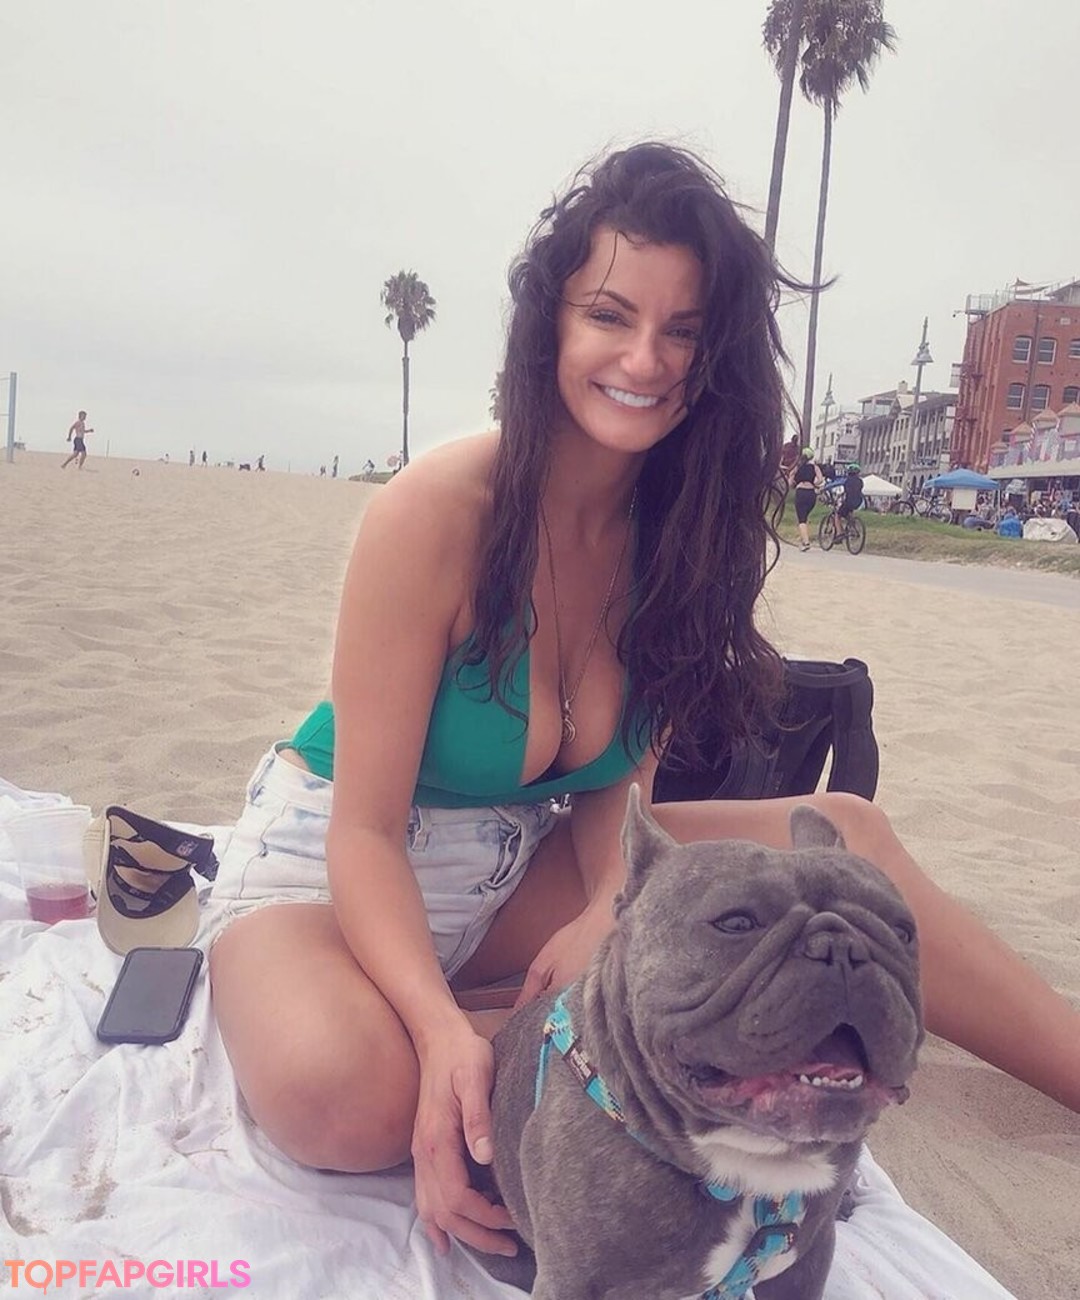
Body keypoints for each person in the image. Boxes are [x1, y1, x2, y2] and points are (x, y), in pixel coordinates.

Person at [207, 142, 1080, 1265]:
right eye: (610, 315)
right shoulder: (435, 513)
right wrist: (436, 1035)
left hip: (519, 863)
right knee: (351, 1097)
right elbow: (363, 831)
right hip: (337, 869)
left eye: (683, 330)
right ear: (551, 326)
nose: (644, 359)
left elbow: (617, 788)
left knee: (847, 833)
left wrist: (601, 910)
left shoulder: (690, 532)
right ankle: (461, 1018)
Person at [790, 446, 823, 550]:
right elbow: (820, 479)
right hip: (811, 494)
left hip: (801, 492)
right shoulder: (815, 467)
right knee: (805, 517)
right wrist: (814, 483)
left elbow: (790, 480)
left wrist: (794, 483)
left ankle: (806, 543)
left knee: (802, 519)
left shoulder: (797, 467)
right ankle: (803, 537)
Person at [833, 461, 864, 538]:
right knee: (848, 513)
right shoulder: (860, 481)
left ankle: (839, 533)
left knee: (837, 515)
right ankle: (853, 528)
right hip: (858, 501)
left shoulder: (846, 480)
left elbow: (835, 484)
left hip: (849, 501)